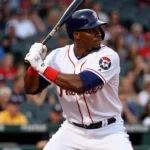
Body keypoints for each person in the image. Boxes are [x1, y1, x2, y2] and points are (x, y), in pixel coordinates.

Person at [24, 9, 133, 150]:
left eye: (98, 28)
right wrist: (33, 67)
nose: (98, 33)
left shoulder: (108, 56)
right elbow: (31, 88)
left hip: (108, 132)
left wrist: (41, 66)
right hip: (72, 131)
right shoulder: (58, 56)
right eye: (91, 30)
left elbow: (81, 84)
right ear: (77, 35)